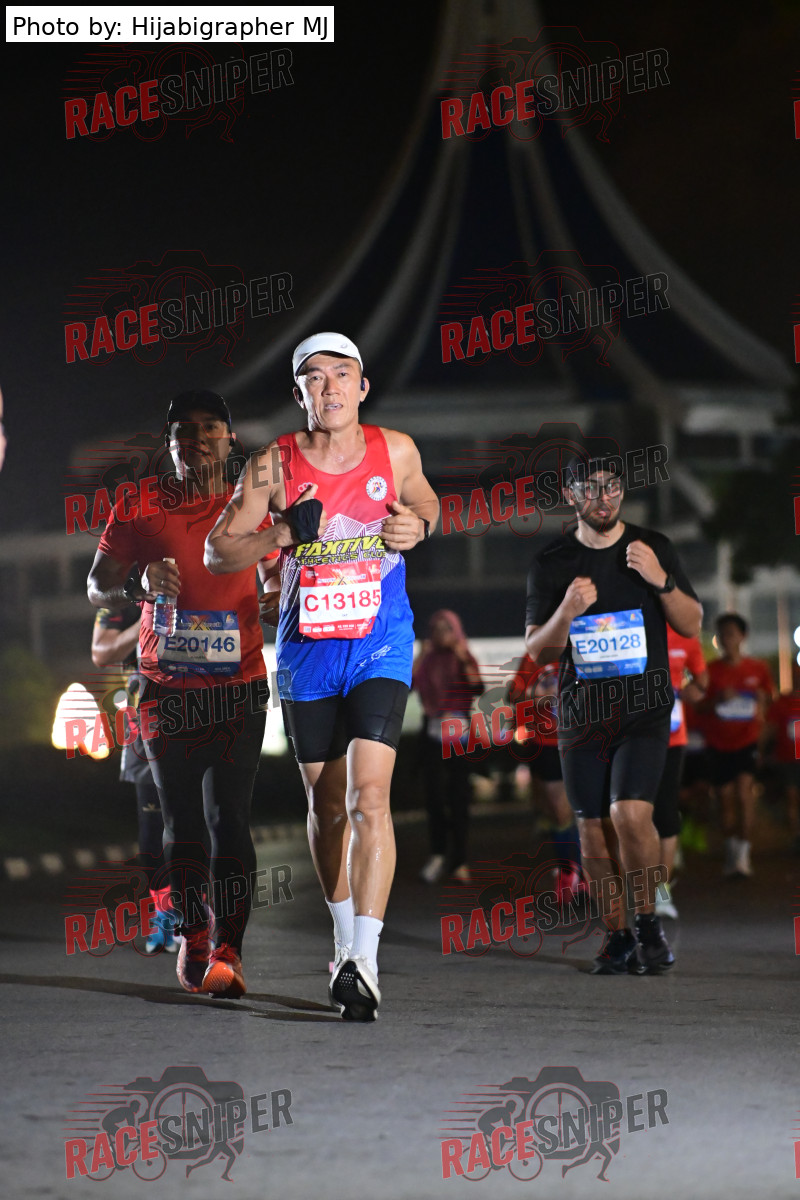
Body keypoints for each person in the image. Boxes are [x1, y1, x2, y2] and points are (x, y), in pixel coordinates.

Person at [205, 332, 439, 1020]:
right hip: (308, 652)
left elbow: (428, 505)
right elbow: (219, 552)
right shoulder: (271, 465)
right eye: (315, 377)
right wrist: (280, 536)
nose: (330, 387)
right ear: (300, 392)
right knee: (328, 807)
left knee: (371, 798)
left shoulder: (396, 451)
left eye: (342, 374)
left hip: (379, 644)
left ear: (363, 387)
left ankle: (365, 958)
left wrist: (417, 529)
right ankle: (342, 940)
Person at [87, 390, 295, 999]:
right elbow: (96, 585)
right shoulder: (138, 503)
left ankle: (229, 948)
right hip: (165, 686)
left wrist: (276, 590)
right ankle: (193, 934)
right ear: (169, 442)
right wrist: (137, 580)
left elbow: (276, 571)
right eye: (184, 429)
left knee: (229, 817)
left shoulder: (251, 504)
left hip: (238, 684)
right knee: (180, 822)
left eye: (209, 428)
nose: (196, 438)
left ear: (230, 439)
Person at [524, 454, 702, 974]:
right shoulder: (553, 562)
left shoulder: (651, 548)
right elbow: (538, 650)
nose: (603, 498)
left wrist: (661, 580)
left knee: (630, 815)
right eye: (590, 488)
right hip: (583, 716)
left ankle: (648, 923)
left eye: (612, 487)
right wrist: (566, 611)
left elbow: (692, 623)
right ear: (571, 494)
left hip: (644, 711)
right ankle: (618, 935)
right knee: (593, 831)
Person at [91, 601, 177, 952]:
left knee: (201, 822)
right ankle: (164, 914)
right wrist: (145, 618)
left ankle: (197, 913)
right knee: (152, 831)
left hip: (200, 711)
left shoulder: (194, 575)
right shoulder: (121, 594)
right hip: (145, 723)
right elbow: (101, 652)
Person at [700, 613, 774, 878]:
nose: (726, 639)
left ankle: (744, 854)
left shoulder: (758, 668)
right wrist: (718, 700)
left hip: (747, 740)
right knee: (725, 801)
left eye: (731, 633)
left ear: (743, 636)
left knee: (744, 793)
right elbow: (699, 707)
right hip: (718, 743)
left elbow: (768, 702)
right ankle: (732, 850)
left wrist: (761, 703)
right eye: (721, 634)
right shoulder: (710, 671)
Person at [412, 609, 483, 885]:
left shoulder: (463, 656)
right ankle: (438, 854)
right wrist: (421, 655)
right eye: (437, 629)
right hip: (432, 733)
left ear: (456, 631)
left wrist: (462, 657)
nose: (442, 634)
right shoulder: (427, 659)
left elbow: (477, 687)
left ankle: (460, 860)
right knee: (434, 798)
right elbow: (408, 684)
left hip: (459, 736)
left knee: (459, 799)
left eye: (447, 628)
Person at [508, 656, 583, 903]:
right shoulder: (535, 656)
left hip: (585, 742)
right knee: (558, 812)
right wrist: (537, 694)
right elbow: (514, 694)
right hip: (548, 744)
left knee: (586, 812)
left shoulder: (584, 648)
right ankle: (567, 870)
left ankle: (582, 874)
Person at [652, 626, 708, 919]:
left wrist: (690, 692)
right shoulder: (627, 623)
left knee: (665, 814)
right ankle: (628, 887)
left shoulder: (685, 636)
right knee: (627, 815)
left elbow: (702, 681)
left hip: (671, 738)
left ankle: (661, 892)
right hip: (627, 738)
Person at [763, 664, 800, 852]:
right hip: (788, 759)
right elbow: (769, 729)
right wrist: (760, 752)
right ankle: (796, 837)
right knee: (791, 797)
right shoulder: (781, 703)